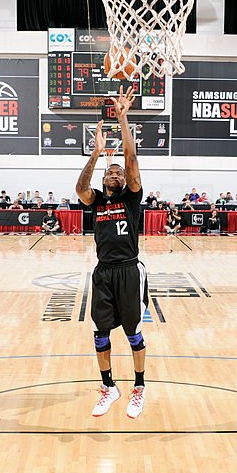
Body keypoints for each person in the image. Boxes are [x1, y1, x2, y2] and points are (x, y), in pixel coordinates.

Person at [74, 88, 148, 419]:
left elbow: (131, 161)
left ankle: (139, 386)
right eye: (111, 171)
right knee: (100, 334)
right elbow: (80, 189)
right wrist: (96, 155)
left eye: (118, 172)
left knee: (133, 333)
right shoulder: (97, 201)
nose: (116, 173)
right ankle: (108, 386)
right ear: (104, 177)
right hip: (103, 271)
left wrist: (122, 117)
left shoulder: (131, 198)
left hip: (129, 270)